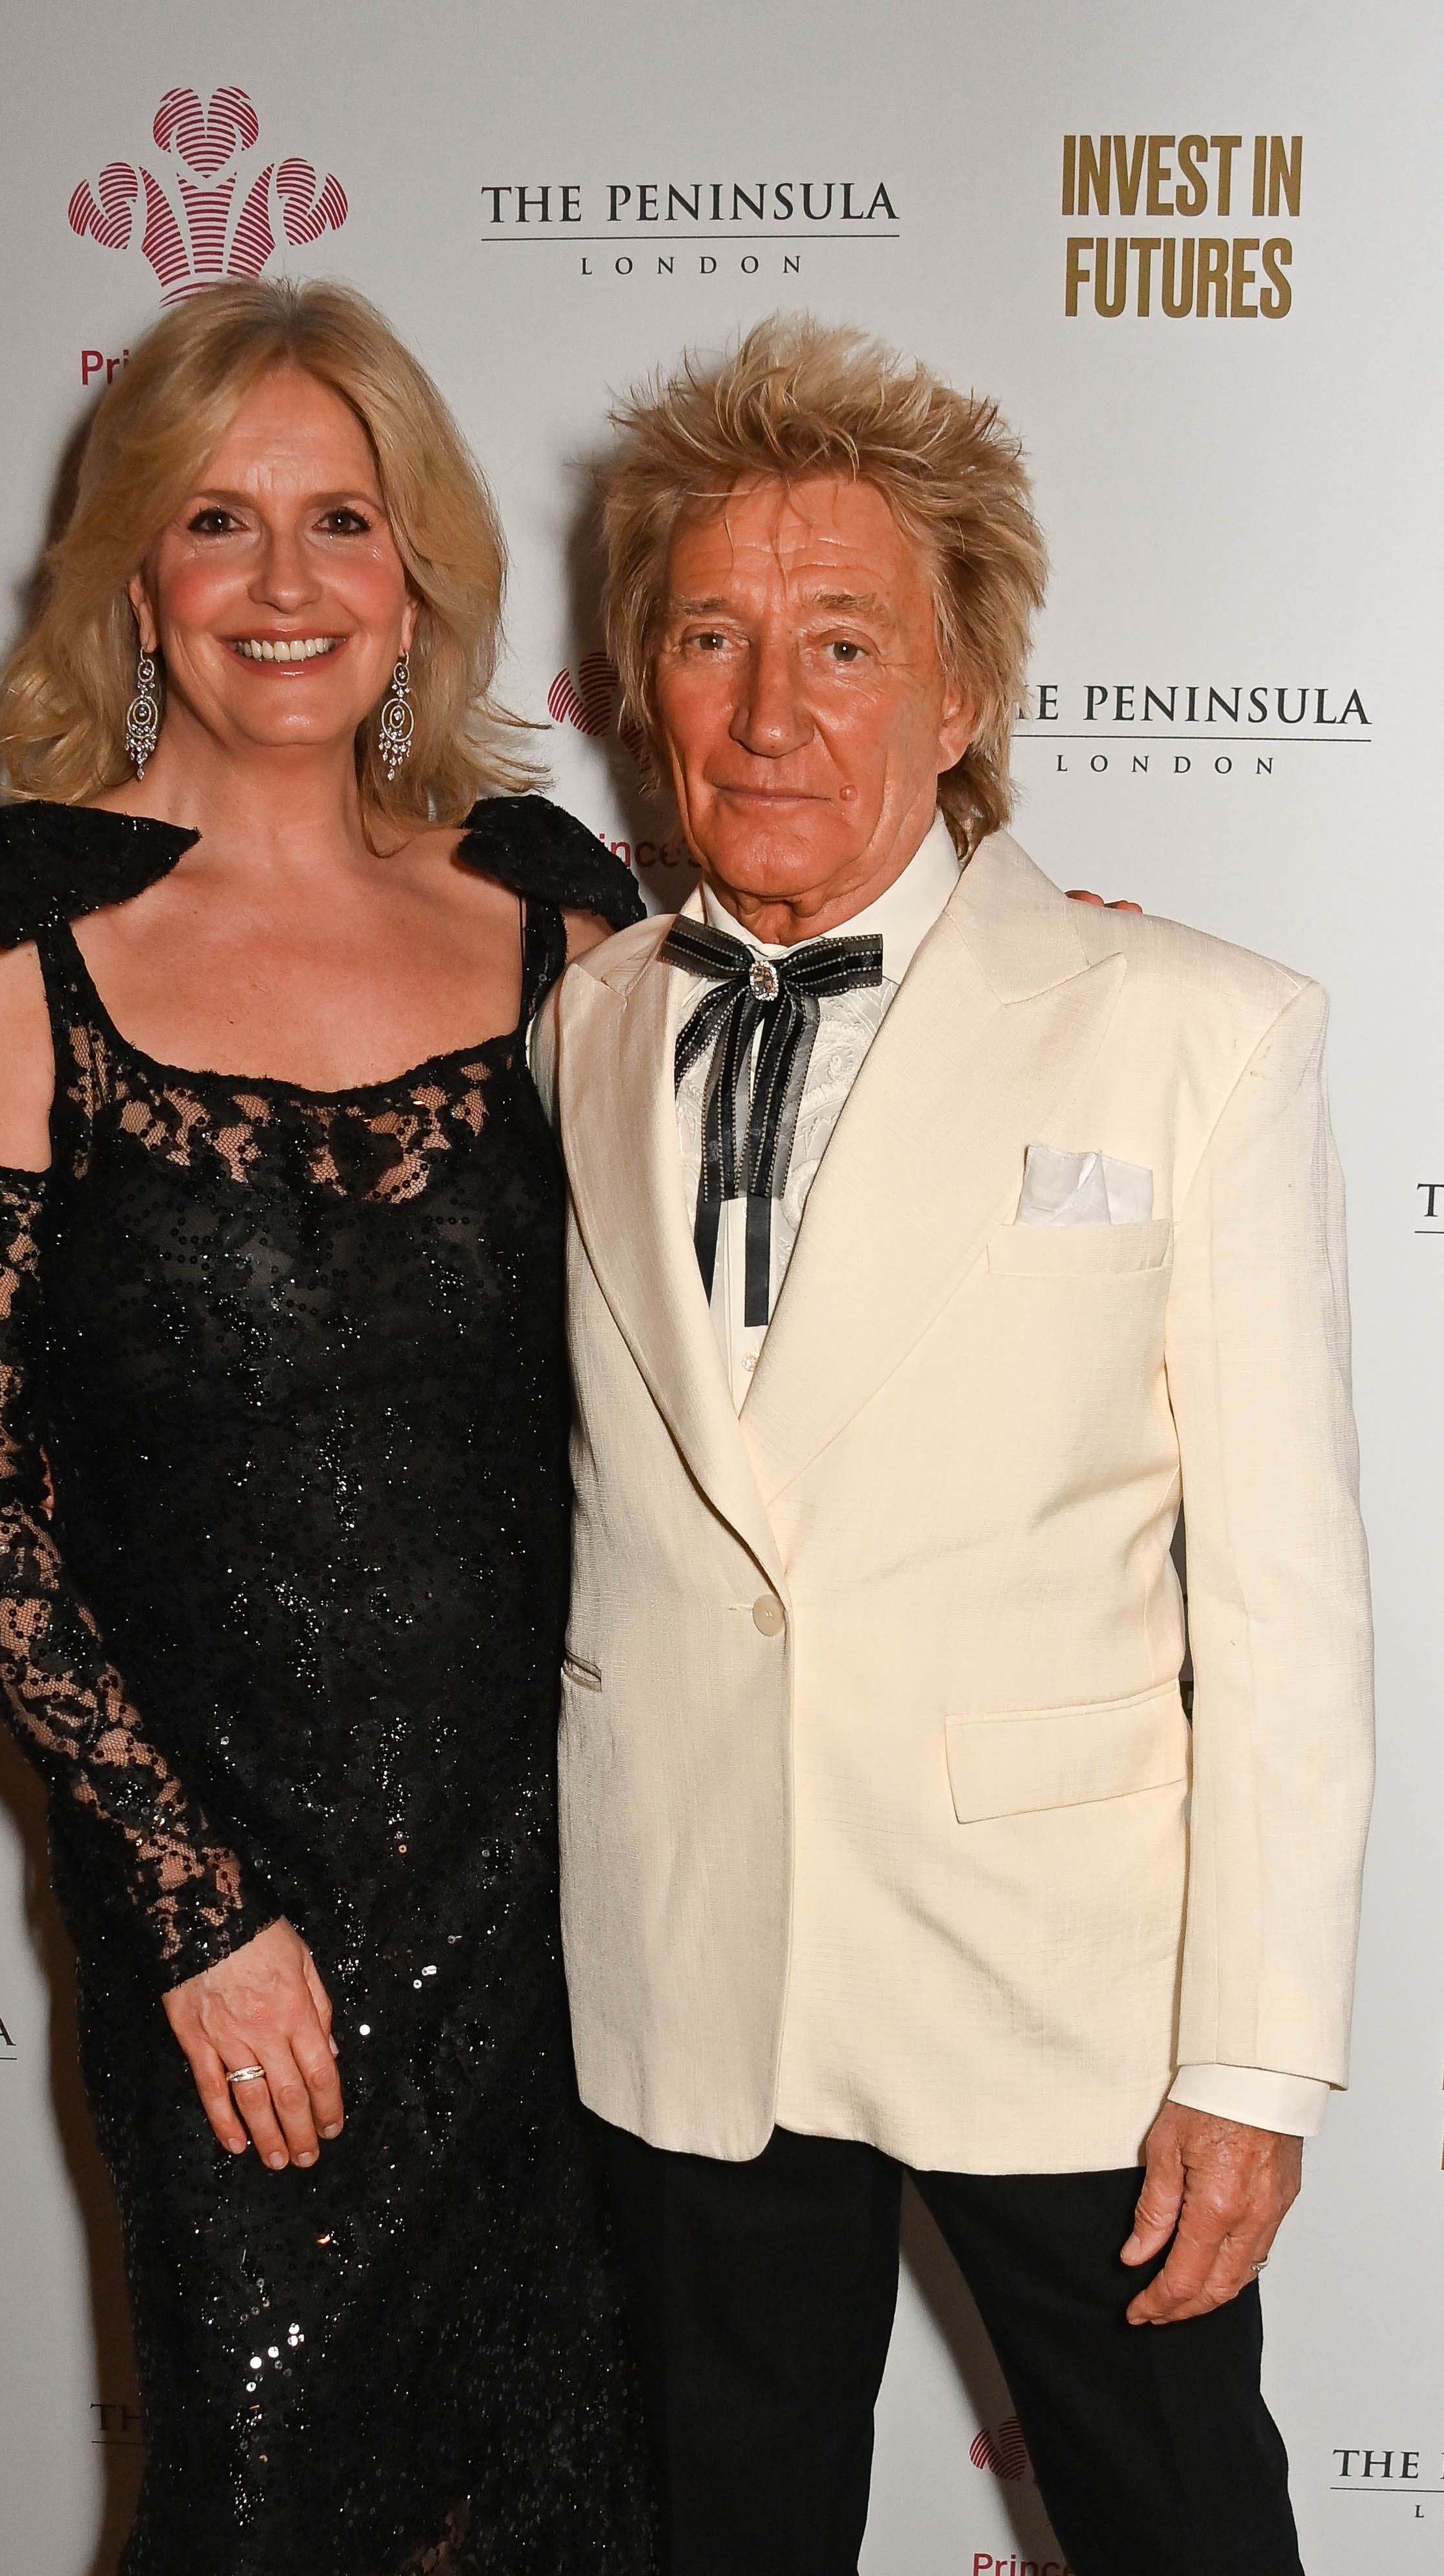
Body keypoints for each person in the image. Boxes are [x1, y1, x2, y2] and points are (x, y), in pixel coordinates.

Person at [0, 279, 655, 2576]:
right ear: (135, 583)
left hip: (563, 1886)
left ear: (417, 580)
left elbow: (738, 1313)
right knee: (264, 2491)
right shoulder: (10, 933)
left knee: (583, 2490)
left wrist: (1031, 993)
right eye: (220, 522)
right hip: (226, 1899)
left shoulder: (552, 920)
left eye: (341, 522)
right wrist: (193, 1913)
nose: (286, 586)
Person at [538, 316, 1375, 2576]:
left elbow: (1285, 1603)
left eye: (841, 641)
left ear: (963, 693)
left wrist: (1255, 2059)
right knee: (731, 2528)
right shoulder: (581, 1020)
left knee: (1181, 2523)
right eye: (709, 638)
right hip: (689, 1942)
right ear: (640, 684)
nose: (770, 709)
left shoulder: (1197, 1032)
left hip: (1064, 1981)